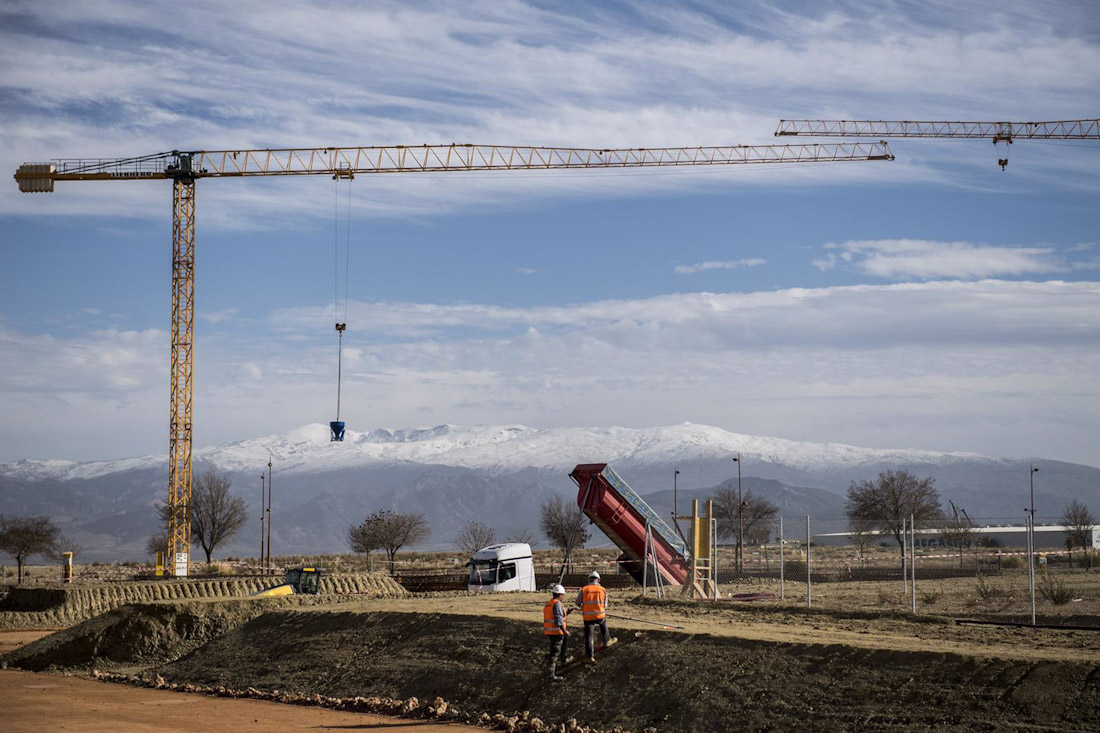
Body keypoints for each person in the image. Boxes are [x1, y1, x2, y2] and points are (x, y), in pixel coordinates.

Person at [577, 570, 610, 662]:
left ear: (589, 579)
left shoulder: (584, 589)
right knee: (603, 624)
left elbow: (577, 603)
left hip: (588, 617)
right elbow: (605, 605)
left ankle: (590, 657)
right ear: (598, 580)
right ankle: (607, 640)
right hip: (600, 615)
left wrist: (584, 606)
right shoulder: (603, 590)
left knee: (589, 636)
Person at [543, 583, 570, 681]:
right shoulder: (557, 604)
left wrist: (567, 613)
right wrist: (564, 631)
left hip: (550, 632)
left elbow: (554, 615)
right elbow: (558, 619)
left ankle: (564, 660)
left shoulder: (549, 603)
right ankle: (551, 675)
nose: (563, 597)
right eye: (563, 595)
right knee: (555, 653)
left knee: (561, 647)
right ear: (560, 595)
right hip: (557, 632)